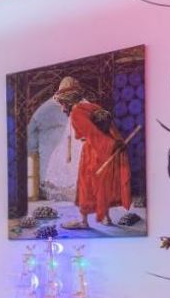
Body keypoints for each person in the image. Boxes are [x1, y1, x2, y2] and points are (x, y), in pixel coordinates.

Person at [53, 76, 130, 228]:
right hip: (105, 150)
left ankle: (84, 221)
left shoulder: (76, 112)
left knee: (86, 186)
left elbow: (92, 134)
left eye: (62, 103)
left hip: (93, 151)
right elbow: (111, 129)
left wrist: (110, 145)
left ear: (67, 100)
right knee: (102, 184)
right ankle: (106, 218)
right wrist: (116, 142)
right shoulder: (94, 106)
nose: (62, 108)